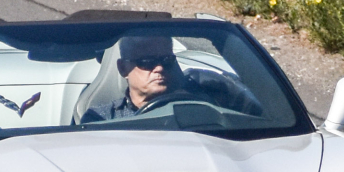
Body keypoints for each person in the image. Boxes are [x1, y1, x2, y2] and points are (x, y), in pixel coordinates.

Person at [81, 34, 260, 122]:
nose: (159, 68)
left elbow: (257, 117)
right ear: (122, 68)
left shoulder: (212, 95)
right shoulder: (102, 118)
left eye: (166, 60)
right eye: (146, 62)